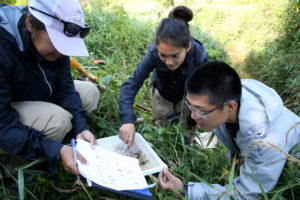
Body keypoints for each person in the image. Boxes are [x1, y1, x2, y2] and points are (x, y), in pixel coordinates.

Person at [157, 61, 300, 199]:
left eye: (200, 111)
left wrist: (184, 189)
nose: (193, 117)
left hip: (292, 172)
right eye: (191, 107)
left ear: (230, 107)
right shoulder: (228, 93)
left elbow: (244, 195)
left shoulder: (265, 144)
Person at [0, 0, 99, 175]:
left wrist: (80, 128)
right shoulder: (3, 44)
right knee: (57, 120)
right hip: (4, 111)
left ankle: (63, 131)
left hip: (26, 90)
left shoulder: (52, 41)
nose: (61, 53)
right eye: (57, 43)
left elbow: (65, 86)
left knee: (90, 93)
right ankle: (19, 163)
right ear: (30, 23)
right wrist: (54, 149)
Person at [118, 6, 209, 148]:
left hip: (187, 98)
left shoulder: (199, 56)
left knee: (185, 135)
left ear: (188, 47)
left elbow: (202, 93)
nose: (169, 62)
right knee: (161, 129)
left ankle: (184, 148)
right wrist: (127, 120)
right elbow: (130, 85)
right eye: (163, 55)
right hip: (162, 93)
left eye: (175, 56)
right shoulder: (154, 52)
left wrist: (192, 122)